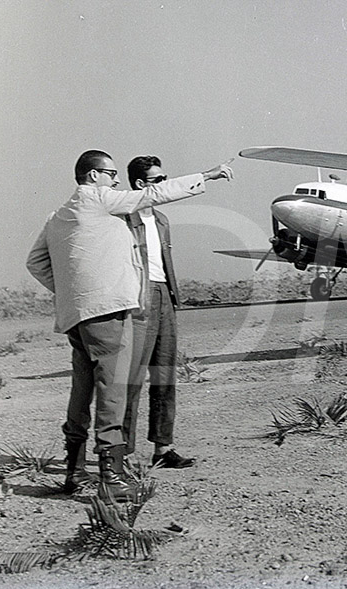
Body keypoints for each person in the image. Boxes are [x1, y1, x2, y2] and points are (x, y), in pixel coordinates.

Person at [26, 150, 233, 502]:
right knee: (114, 389)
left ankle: (75, 470)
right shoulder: (102, 201)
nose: (115, 179)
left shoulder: (58, 216)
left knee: (82, 389)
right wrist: (208, 175)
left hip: (77, 316)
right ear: (93, 176)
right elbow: (154, 194)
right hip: (109, 313)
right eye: (110, 173)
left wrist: (74, 294)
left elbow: (35, 262)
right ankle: (112, 476)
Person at [122, 155, 193, 469]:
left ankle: (163, 449)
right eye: (158, 180)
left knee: (165, 375)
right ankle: (118, 453)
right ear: (140, 184)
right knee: (131, 378)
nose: (165, 185)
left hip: (165, 296)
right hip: (139, 298)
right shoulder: (123, 217)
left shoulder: (162, 220)